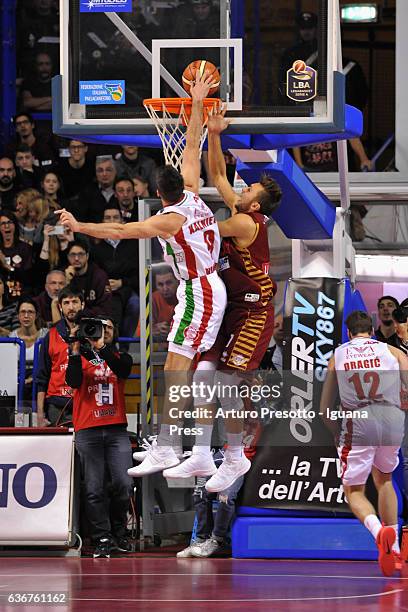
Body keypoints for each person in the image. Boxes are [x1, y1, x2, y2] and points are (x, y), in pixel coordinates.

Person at [58, 73, 227, 478]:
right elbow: (190, 143)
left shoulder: (168, 219)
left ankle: (169, 446)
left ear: (157, 191)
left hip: (200, 288)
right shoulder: (193, 191)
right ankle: (185, 447)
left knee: (175, 366)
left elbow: (118, 231)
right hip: (200, 287)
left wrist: (79, 225)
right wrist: (198, 100)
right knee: (186, 366)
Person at [164, 107, 282, 492]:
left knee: (227, 382)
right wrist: (213, 133)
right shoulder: (243, 209)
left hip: (253, 314)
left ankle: (235, 458)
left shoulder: (245, 222)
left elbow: (202, 228)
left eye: (247, 191)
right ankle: (200, 452)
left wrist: (176, 213)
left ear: (255, 207)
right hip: (230, 308)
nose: (240, 189)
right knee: (202, 375)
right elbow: (216, 174)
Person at [320, 310, 408, 577]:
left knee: (354, 491)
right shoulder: (393, 352)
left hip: (358, 418)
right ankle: (392, 545)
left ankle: (377, 531)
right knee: (384, 480)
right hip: (391, 417)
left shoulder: (338, 355)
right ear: (372, 330)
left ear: (348, 333)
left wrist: (336, 431)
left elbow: (325, 408)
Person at [65, 315, 133, 558]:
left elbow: (122, 369)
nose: (103, 331)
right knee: (94, 488)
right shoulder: (79, 357)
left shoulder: (120, 357)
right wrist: (74, 351)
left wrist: (101, 347)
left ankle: (119, 532)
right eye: (98, 329)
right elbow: (72, 381)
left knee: (124, 484)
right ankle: (102, 537)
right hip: (88, 428)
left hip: (116, 428)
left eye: (108, 328)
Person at [35, 287, 85, 426]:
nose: (71, 307)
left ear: (83, 304)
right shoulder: (51, 335)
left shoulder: (91, 333)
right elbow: (41, 377)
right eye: (66, 303)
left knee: (85, 445)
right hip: (56, 404)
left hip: (86, 401)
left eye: (75, 302)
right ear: (60, 307)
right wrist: (40, 413)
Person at [91, 207, 140, 336]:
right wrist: (105, 283)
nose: (112, 221)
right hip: (104, 289)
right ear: (102, 222)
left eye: (115, 217)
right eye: (108, 218)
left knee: (135, 305)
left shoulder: (134, 245)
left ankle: (125, 343)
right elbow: (95, 273)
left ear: (122, 222)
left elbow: (139, 273)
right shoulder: (96, 248)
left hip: (128, 288)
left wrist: (122, 282)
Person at [9, 297, 48, 403]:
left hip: (40, 383)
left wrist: (33, 378)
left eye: (30, 312)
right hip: (17, 384)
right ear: (18, 315)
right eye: (23, 312)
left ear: (36, 315)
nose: (26, 316)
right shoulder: (12, 336)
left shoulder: (45, 335)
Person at [65, 239, 112, 317]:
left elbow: (105, 308)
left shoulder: (99, 276)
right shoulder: (65, 275)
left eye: (80, 254)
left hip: (94, 320)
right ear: (68, 257)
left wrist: (81, 313)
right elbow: (61, 304)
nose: (76, 258)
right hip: (71, 321)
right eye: (73, 255)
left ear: (87, 256)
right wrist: (67, 282)